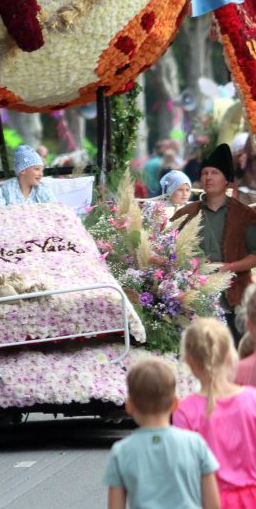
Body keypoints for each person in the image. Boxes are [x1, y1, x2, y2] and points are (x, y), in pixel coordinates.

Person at [104, 355, 219, 509]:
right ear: (175, 404)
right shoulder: (196, 443)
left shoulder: (121, 452)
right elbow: (213, 504)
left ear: (129, 406)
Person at [172, 144, 256, 340]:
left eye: (215, 173)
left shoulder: (245, 215)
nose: (208, 177)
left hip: (233, 299)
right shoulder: (186, 213)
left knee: (234, 350)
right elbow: (170, 250)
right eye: (205, 173)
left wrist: (229, 267)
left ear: (226, 180)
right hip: (194, 299)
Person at [175, 318, 256, 505]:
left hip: (208, 500)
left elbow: (184, 469)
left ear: (188, 361)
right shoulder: (252, 399)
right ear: (229, 355)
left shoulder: (185, 410)